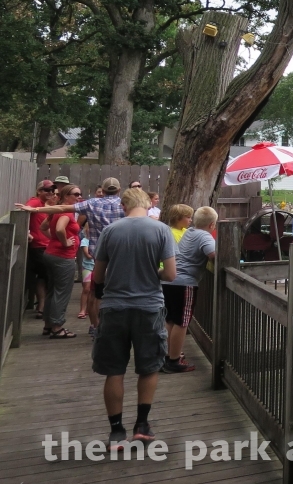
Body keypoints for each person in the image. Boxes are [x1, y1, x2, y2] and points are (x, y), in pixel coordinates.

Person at [92, 187, 176, 448]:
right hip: (149, 307)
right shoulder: (161, 230)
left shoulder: (111, 231)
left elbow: (97, 277)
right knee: (149, 367)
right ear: (147, 205)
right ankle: (142, 425)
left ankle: (117, 432)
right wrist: (155, 273)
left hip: (114, 307)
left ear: (123, 206)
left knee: (114, 371)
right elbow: (171, 275)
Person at [162, 206, 217, 374]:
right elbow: (214, 254)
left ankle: (169, 354)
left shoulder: (190, 232)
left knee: (171, 319)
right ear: (212, 225)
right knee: (182, 322)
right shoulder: (205, 236)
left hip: (170, 281)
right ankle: (174, 360)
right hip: (184, 283)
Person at [41, 183, 83, 339]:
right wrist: (64, 243)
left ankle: (48, 325)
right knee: (62, 292)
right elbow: (59, 229)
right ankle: (57, 327)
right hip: (62, 257)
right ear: (66, 196)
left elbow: (43, 228)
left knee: (52, 291)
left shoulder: (57, 210)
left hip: (50, 254)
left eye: (80, 194)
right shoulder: (66, 213)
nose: (79, 197)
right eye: (76, 194)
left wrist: (53, 241)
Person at [24, 180, 57, 319]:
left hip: (48, 245)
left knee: (43, 277)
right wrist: (26, 232)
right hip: (38, 246)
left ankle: (43, 306)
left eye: (52, 190)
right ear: (39, 191)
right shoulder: (35, 202)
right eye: (46, 190)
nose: (50, 192)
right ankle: (46, 307)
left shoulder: (47, 205)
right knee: (48, 276)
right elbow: (24, 211)